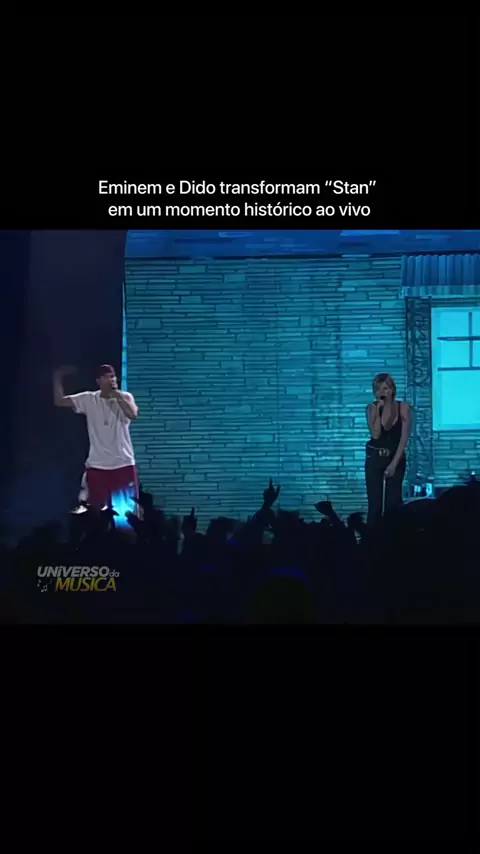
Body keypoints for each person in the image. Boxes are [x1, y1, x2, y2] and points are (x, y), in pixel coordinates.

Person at [53, 364, 139, 510]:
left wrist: (117, 396)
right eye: (106, 377)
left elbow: (132, 414)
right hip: (97, 465)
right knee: (95, 511)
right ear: (98, 381)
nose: (111, 380)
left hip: (123, 463)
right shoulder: (89, 398)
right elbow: (59, 401)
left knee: (126, 511)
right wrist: (57, 377)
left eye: (113, 376)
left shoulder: (125, 397)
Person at [365, 373, 411, 527]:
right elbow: (376, 435)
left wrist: (393, 465)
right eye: (378, 389)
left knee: (393, 503)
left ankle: (394, 537)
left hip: (395, 457)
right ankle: (372, 538)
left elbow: (404, 439)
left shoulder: (403, 408)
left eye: (385, 388)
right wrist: (378, 411)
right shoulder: (371, 408)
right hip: (375, 458)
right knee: (375, 505)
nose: (382, 392)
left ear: (392, 389)